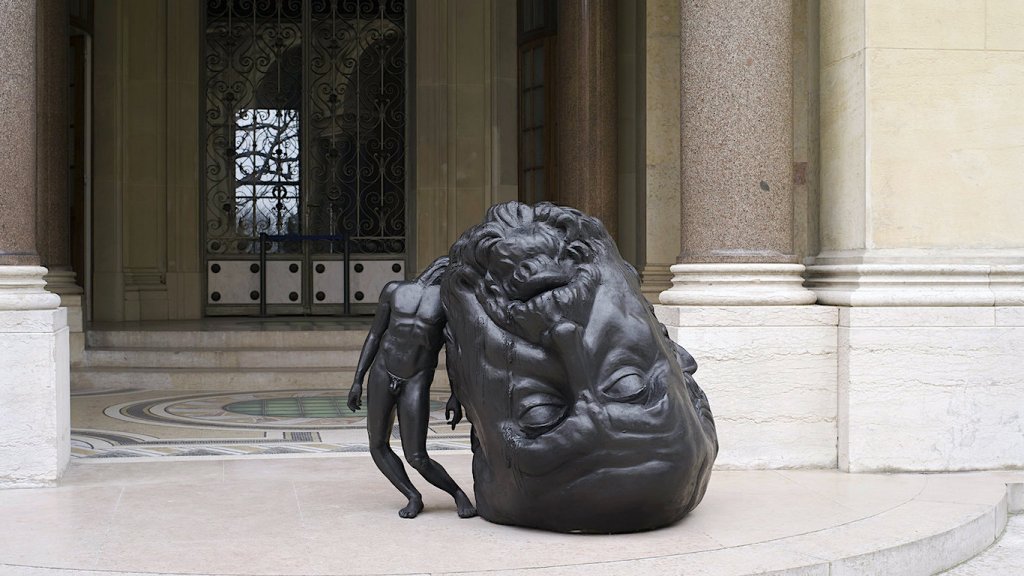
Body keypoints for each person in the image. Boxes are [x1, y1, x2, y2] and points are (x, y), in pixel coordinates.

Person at [347, 256, 476, 519]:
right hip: (383, 373)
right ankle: (412, 495)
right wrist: (358, 379)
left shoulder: (446, 303)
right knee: (378, 444)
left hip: (415, 380)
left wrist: (456, 394)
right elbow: (375, 334)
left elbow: (454, 352)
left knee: (416, 455)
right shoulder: (395, 290)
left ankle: (457, 493)